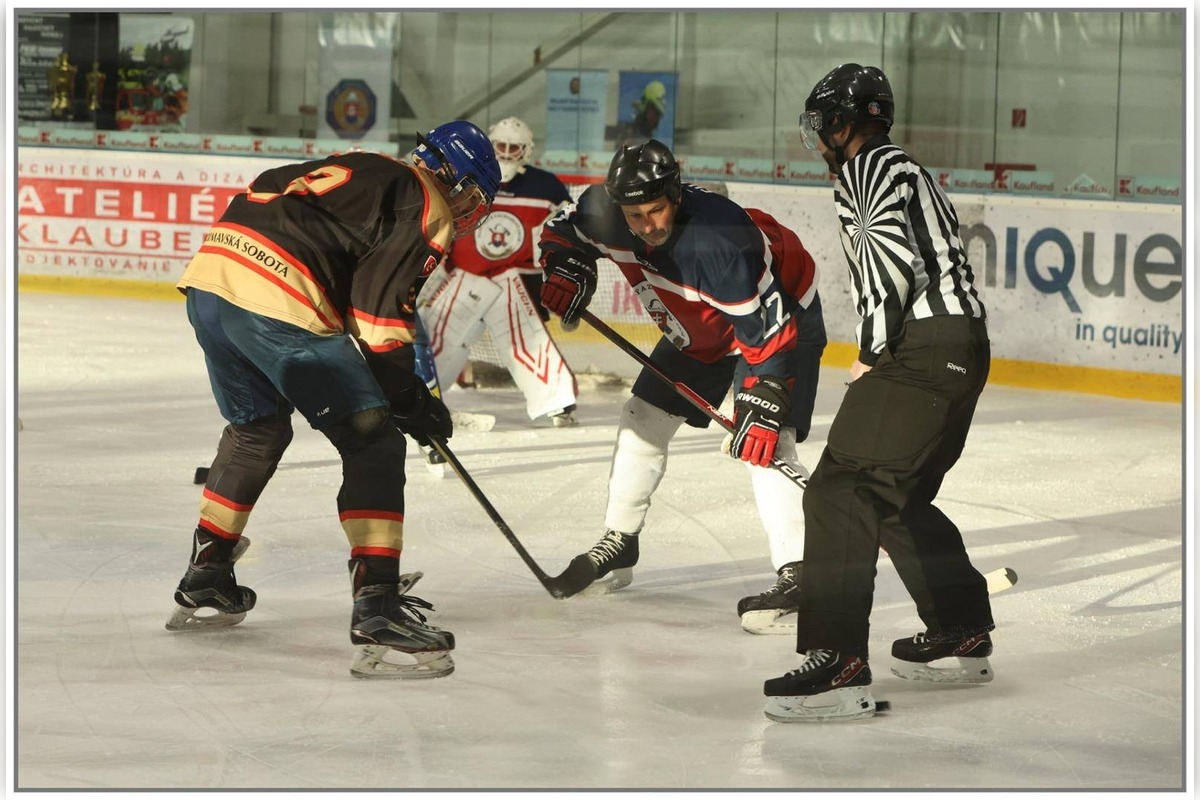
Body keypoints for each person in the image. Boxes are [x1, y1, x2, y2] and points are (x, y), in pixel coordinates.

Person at [165, 121, 502, 680]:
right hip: (276, 295)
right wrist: (406, 399)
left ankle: (207, 573)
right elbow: (378, 322)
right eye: (473, 196)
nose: (468, 211)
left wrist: (398, 387)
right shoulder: (427, 203)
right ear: (455, 179)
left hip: (209, 283)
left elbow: (341, 271)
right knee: (374, 441)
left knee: (258, 431)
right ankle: (377, 606)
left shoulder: (368, 167)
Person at [762, 64, 994, 722]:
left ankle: (838, 661)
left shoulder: (869, 167)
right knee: (898, 495)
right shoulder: (904, 168)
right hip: (960, 348)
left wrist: (869, 354)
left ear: (847, 121)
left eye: (824, 123)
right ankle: (959, 629)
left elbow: (884, 262)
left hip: (919, 350)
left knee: (842, 487)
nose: (821, 138)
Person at [538, 139, 827, 632]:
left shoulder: (719, 238)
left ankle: (800, 574)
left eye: (657, 209)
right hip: (698, 324)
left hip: (778, 322)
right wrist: (567, 265)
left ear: (675, 194)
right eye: (635, 214)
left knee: (766, 442)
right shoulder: (602, 214)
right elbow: (560, 232)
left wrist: (764, 398)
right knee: (642, 417)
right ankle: (621, 540)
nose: (649, 225)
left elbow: (769, 335)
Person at [416, 116, 580, 429]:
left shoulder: (546, 186)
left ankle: (558, 401)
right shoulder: (466, 176)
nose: (505, 154)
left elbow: (567, 231)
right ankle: (416, 391)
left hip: (514, 280)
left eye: (514, 148)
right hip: (463, 275)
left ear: (527, 151)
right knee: (438, 336)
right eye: (500, 146)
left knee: (525, 340)